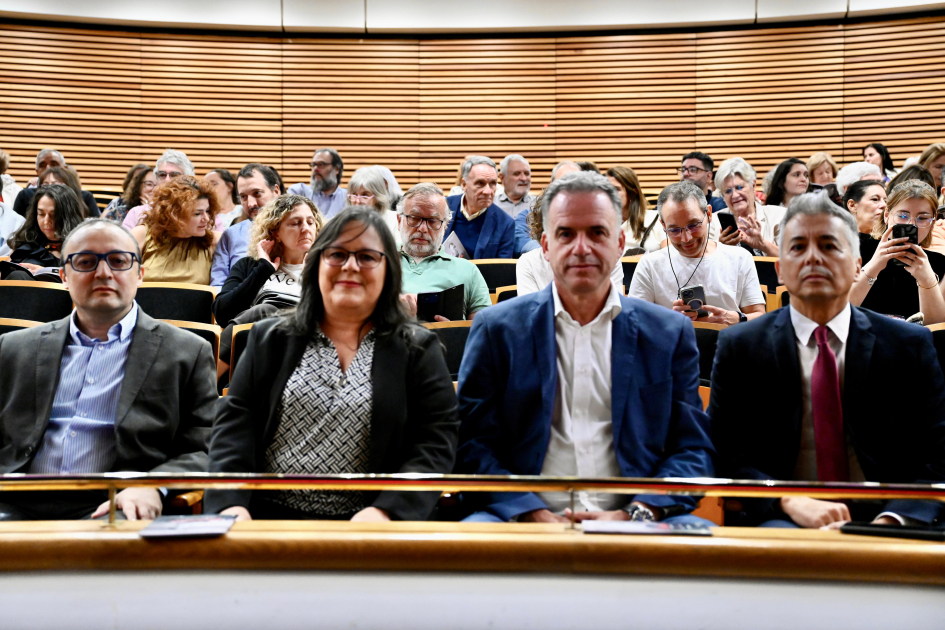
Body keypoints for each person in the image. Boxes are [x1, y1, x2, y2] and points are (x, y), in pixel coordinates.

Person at [456, 172, 715, 524]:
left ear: (620, 242)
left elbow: (692, 449)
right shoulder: (497, 330)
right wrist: (531, 512)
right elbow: (471, 446)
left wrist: (637, 512)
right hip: (519, 515)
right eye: (566, 234)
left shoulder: (669, 333)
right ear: (545, 247)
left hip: (637, 515)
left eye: (597, 232)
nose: (582, 248)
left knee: (700, 545)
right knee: (471, 548)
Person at [205, 207, 460, 522]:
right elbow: (234, 430)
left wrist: (387, 511)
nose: (350, 266)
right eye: (337, 254)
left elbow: (435, 440)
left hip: (373, 527)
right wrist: (231, 504)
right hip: (266, 523)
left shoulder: (418, 348)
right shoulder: (269, 339)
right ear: (317, 265)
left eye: (367, 257)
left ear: (388, 270)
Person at [709, 192, 945, 529]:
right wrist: (786, 499)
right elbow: (726, 453)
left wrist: (892, 520)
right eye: (798, 248)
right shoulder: (742, 345)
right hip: (784, 519)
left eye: (829, 246)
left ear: (857, 265)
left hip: (891, 517)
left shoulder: (908, 345)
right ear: (780, 269)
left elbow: (937, 456)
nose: (813, 259)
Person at [0, 219, 216, 521]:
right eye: (86, 262)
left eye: (118, 261)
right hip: (13, 499)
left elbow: (206, 446)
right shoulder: (13, 349)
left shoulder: (186, 352)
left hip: (116, 503)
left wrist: (153, 485)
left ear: (140, 274)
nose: (103, 273)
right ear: (63, 275)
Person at [628, 181, 766, 326]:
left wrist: (737, 318)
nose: (686, 238)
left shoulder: (739, 258)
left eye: (693, 225)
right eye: (674, 230)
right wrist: (668, 320)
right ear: (663, 225)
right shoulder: (650, 264)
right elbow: (634, 321)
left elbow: (760, 318)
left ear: (709, 214)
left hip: (728, 345)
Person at [214, 194, 324, 327]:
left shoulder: (325, 268)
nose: (306, 228)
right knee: (263, 311)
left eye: (311, 222)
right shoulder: (250, 266)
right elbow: (222, 314)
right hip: (254, 340)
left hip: (303, 338)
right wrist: (262, 270)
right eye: (296, 223)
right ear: (276, 232)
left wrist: (313, 279)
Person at [849, 179, 945, 324]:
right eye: (903, 216)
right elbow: (838, 310)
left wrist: (926, 279)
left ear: (933, 221)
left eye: (922, 218)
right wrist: (873, 267)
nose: (912, 224)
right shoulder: (858, 247)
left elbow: (935, 328)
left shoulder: (938, 262)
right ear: (887, 215)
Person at [397, 183, 491, 320]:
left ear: (445, 225)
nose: (422, 228)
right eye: (414, 218)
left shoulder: (468, 270)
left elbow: (483, 333)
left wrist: (452, 333)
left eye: (433, 221)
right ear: (399, 220)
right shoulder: (377, 262)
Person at [130, 177, 222, 284]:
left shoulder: (214, 241)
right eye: (197, 213)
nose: (206, 218)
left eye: (207, 211)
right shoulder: (141, 235)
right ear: (175, 215)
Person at [210, 163, 283, 287]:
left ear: (276, 191)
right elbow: (218, 286)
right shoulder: (231, 235)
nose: (250, 204)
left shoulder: (299, 229)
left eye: (257, 193)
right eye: (243, 197)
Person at [444, 156, 515, 259]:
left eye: (492, 184)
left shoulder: (505, 223)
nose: (488, 191)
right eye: (480, 183)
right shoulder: (444, 206)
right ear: (464, 184)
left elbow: (500, 270)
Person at [6, 185, 84, 276]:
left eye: (54, 215)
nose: (46, 221)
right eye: (41, 214)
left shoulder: (82, 248)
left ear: (68, 217)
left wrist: (46, 272)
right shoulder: (25, 241)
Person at [715, 157, 786, 256]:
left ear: (753, 185)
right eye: (728, 191)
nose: (735, 195)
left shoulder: (779, 216)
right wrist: (722, 248)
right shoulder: (711, 223)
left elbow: (793, 259)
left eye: (739, 187)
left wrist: (763, 245)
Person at [514, 160, 581, 256]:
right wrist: (552, 252)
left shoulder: (591, 217)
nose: (569, 189)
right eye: (563, 182)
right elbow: (522, 244)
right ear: (551, 184)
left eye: (576, 184)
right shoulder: (527, 216)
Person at [13, 149, 101, 219]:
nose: (48, 168)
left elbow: (96, 226)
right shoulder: (25, 195)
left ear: (65, 169)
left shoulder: (84, 197)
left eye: (54, 164)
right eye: (42, 165)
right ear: (37, 171)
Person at [121, 149, 196, 230]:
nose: (167, 180)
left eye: (174, 175)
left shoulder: (198, 212)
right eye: (162, 175)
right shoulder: (137, 213)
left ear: (187, 180)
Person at [607, 165, 663, 253]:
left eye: (616, 189)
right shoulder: (598, 224)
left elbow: (670, 258)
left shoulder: (657, 219)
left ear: (632, 193)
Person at [346, 166, 400, 243]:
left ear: (378, 197)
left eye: (364, 195)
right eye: (354, 194)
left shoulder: (395, 221)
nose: (357, 201)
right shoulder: (342, 221)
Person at [288, 148, 346, 219]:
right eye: (313, 164)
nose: (315, 169)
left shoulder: (348, 198)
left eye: (321, 164)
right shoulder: (299, 192)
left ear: (336, 169)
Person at [494, 154, 534, 218]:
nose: (523, 178)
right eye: (517, 174)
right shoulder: (490, 205)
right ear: (502, 178)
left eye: (527, 173)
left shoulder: (540, 206)